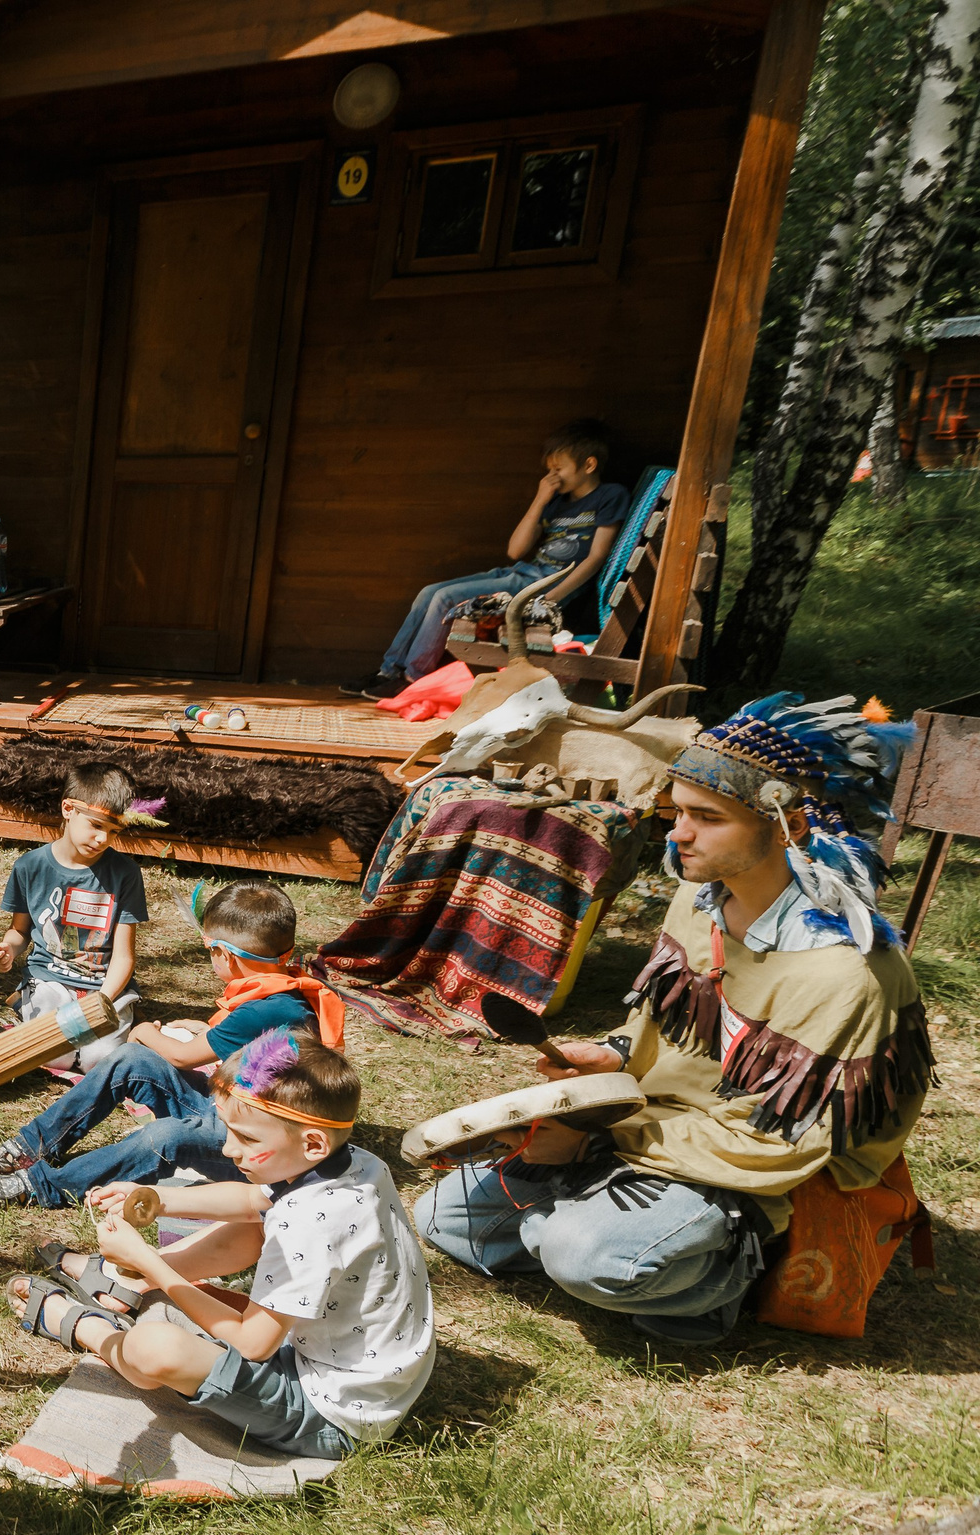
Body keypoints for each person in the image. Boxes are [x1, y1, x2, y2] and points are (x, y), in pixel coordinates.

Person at [417, 694, 929, 1345]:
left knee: (582, 1255)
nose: (678, 834)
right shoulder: (699, 896)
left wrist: (595, 1140)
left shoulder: (847, 972)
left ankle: (725, 1275)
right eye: (677, 812)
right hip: (663, 1124)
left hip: (756, 1168)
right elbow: (672, 1025)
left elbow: (786, 1144)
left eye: (706, 817)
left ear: (786, 827)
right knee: (446, 1217)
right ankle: (601, 1229)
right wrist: (612, 1055)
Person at [9, 1033, 433, 1459]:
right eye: (228, 1131)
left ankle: (94, 1329)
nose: (230, 1149)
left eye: (247, 1139)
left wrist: (152, 1265)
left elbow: (252, 1344)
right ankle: (128, 1281)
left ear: (312, 1143)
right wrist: (157, 1199)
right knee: (256, 1227)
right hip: (353, 1371)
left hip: (331, 1413)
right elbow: (254, 1202)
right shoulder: (356, 1164)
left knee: (155, 1347)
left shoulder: (308, 1224)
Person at [0, 880, 349, 1207]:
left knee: (165, 1137)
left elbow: (182, 1057)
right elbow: (245, 1047)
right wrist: (201, 1029)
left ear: (225, 955)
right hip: (241, 1111)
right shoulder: (283, 990)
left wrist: (145, 1032)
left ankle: (42, 1187)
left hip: (255, 1145)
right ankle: (30, 1146)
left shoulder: (262, 1009)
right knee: (130, 1061)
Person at [343, 419, 630, 699]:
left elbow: (595, 558)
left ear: (589, 465)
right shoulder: (556, 499)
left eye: (558, 468)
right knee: (429, 592)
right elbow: (515, 551)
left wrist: (548, 599)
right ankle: (388, 672)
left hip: (541, 586)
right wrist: (540, 499)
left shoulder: (609, 496)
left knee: (446, 599)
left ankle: (412, 679)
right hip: (522, 572)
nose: (550, 476)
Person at [0, 761, 154, 1070]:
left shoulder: (125, 874)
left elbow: (124, 956)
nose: (103, 839)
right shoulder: (30, 867)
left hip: (106, 987)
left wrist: (102, 1000)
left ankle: (117, 1018)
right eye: (96, 825)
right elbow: (20, 931)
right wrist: (8, 950)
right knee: (54, 1055)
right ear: (68, 809)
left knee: (98, 1061)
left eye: (113, 831)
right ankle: (29, 999)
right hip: (50, 978)